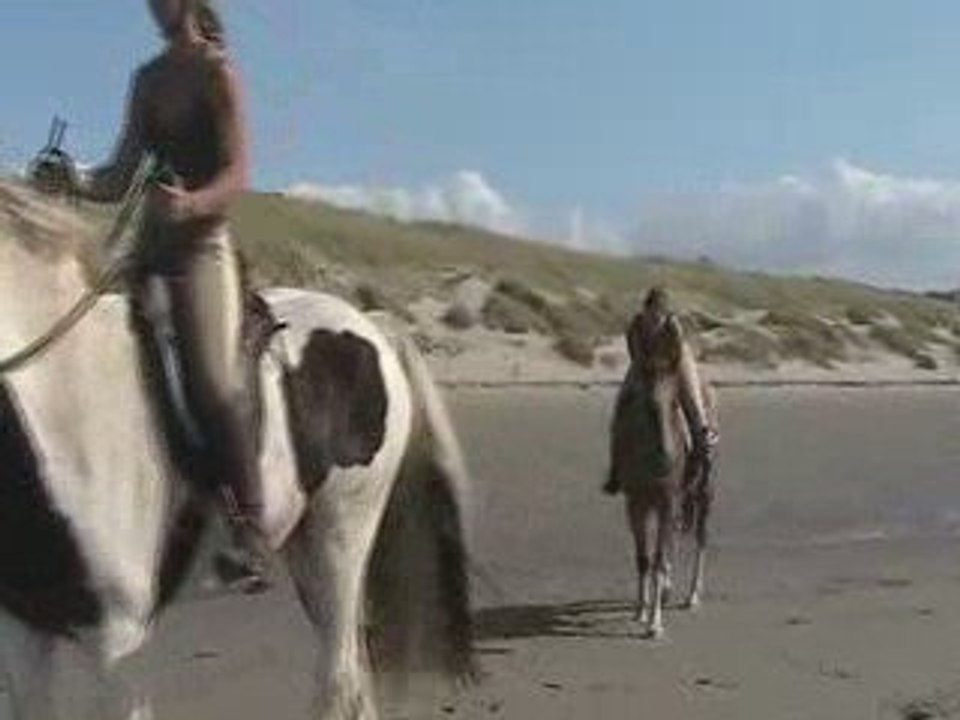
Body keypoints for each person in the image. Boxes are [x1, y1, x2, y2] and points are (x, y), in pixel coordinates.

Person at [34, 0, 266, 588]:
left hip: (202, 249)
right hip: (146, 247)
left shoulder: (219, 74)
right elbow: (118, 175)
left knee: (210, 383)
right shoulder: (148, 80)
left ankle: (250, 525)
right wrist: (73, 178)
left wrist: (191, 204)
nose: (155, 8)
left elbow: (237, 174)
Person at [603, 287, 717, 495]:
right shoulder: (636, 326)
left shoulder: (673, 327)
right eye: (651, 314)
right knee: (623, 401)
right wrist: (647, 368)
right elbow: (635, 353)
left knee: (691, 398)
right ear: (645, 310)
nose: (654, 319)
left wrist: (666, 372)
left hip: (676, 364)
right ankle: (615, 468)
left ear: (665, 314)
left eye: (659, 315)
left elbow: (676, 355)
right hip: (644, 366)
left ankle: (702, 438)